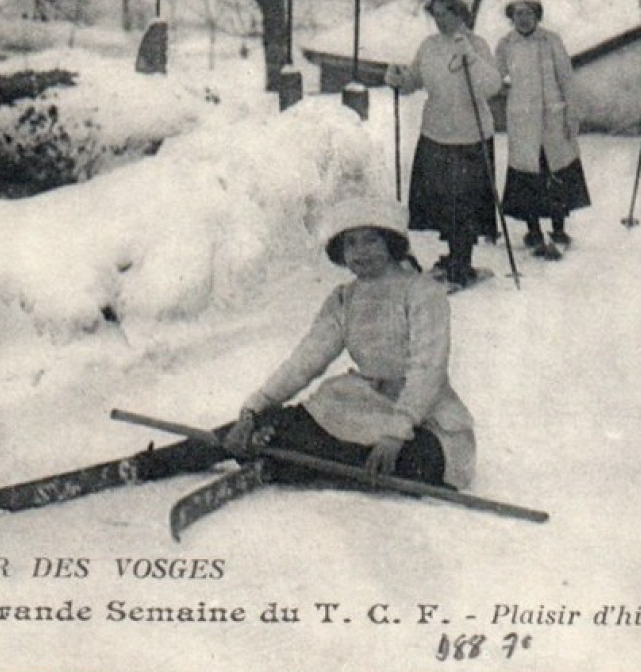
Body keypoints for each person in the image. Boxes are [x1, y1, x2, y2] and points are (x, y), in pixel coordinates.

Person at [127, 196, 477, 490]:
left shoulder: (422, 292)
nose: (360, 252)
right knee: (268, 426)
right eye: (350, 243)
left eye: (371, 240)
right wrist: (254, 408)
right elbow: (305, 361)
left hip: (421, 419)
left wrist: (397, 430)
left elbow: (427, 369)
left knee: (410, 463)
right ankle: (156, 463)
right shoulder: (345, 299)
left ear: (391, 242)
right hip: (360, 407)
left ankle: (283, 461)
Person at [385, 0, 503, 289]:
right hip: (436, 132)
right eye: (435, 14)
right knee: (440, 201)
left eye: (446, 13)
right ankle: (452, 255)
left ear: (461, 13)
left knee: (464, 202)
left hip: (470, 136)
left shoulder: (476, 45)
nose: (440, 20)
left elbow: (491, 87)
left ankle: (462, 262)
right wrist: (399, 79)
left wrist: (471, 59)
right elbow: (414, 80)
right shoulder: (429, 46)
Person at [495, 0, 591, 259]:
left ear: (537, 15)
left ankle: (558, 229)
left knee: (555, 173)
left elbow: (567, 80)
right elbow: (493, 76)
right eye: (517, 14)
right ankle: (533, 228)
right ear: (511, 18)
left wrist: (572, 115)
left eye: (527, 13)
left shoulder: (551, 41)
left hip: (552, 120)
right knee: (527, 177)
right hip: (523, 122)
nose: (522, 19)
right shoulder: (506, 45)